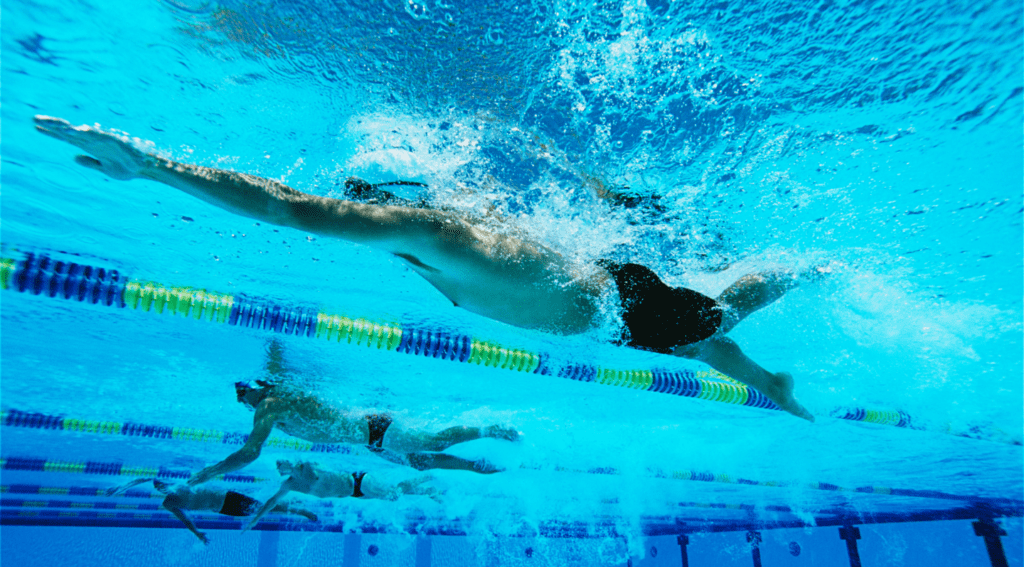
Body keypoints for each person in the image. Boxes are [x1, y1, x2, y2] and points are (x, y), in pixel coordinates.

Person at [34, 115, 814, 420]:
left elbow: (282, 207)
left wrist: (153, 167)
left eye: (359, 205)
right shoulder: (430, 240)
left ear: (379, 203)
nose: (352, 217)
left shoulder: (431, 235)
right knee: (706, 347)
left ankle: (812, 267)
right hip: (602, 309)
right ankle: (774, 383)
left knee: (727, 312)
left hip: (618, 307)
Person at [187, 340, 517, 485]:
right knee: (418, 461)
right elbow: (275, 364)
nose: (240, 401)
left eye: (241, 393)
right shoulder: (277, 392)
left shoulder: (270, 404)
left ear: (255, 389)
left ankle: (489, 429)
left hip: (374, 429)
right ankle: (476, 466)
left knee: (434, 442)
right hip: (367, 437)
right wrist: (274, 344)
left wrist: (211, 471)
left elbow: (249, 451)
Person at [241, 459, 438, 532]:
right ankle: (429, 490)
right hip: (356, 494)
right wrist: (256, 520)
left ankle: (427, 475)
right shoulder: (289, 484)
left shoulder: (307, 466)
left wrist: (294, 467)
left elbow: (313, 476)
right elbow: (272, 501)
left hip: (360, 481)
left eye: (280, 463)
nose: (278, 467)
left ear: (288, 463)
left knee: (394, 494)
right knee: (394, 494)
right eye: (278, 467)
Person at [106, 477, 317, 544]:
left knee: (262, 508)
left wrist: (121, 487)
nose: (161, 487)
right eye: (159, 487)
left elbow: (143, 478)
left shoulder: (179, 484)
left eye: (161, 485)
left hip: (225, 497)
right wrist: (197, 533)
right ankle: (298, 509)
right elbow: (185, 519)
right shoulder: (169, 504)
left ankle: (301, 511)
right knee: (259, 510)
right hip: (221, 507)